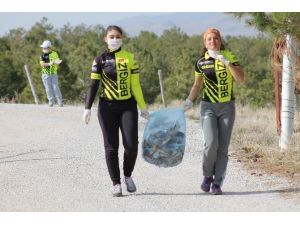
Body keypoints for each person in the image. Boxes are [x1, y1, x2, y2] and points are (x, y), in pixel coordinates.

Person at [82, 25, 149, 197]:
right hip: (107, 108)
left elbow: (135, 85)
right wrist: (87, 107)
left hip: (128, 106)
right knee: (111, 148)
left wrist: (143, 107)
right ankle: (116, 183)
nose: (114, 39)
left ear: (122, 38)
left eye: (117, 36)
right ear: (105, 39)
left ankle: (127, 175)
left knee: (131, 146)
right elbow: (93, 85)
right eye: (111, 36)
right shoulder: (100, 60)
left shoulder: (130, 58)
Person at [183, 28, 245, 195]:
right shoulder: (201, 62)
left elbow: (240, 79)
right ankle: (207, 176)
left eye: (215, 38)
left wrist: (226, 62)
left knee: (223, 147)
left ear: (220, 40)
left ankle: (217, 182)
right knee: (211, 144)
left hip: (227, 107)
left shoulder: (229, 55)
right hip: (208, 106)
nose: (212, 41)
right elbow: (197, 85)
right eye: (209, 39)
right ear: (205, 43)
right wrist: (189, 101)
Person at [39, 40, 63, 107]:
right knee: (48, 88)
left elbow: (57, 60)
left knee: (55, 87)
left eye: (44, 48)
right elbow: (42, 64)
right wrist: (49, 64)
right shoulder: (42, 56)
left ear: (49, 48)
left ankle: (60, 102)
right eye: (43, 48)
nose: (43, 49)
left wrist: (58, 62)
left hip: (54, 73)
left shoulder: (54, 53)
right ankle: (51, 101)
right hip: (45, 74)